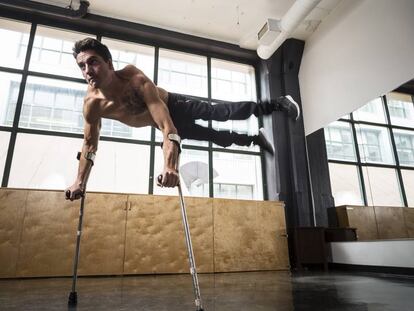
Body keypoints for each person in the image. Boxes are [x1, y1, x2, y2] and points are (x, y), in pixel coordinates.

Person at [65, 38, 300, 200]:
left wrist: (170, 166)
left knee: (221, 113)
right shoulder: (92, 106)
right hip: (162, 124)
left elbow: (167, 125)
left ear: (108, 63)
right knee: (215, 137)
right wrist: (80, 182)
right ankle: (255, 140)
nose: (87, 70)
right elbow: (89, 146)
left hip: (174, 107)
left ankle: (277, 103)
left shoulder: (134, 79)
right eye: (82, 66)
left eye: (93, 61)